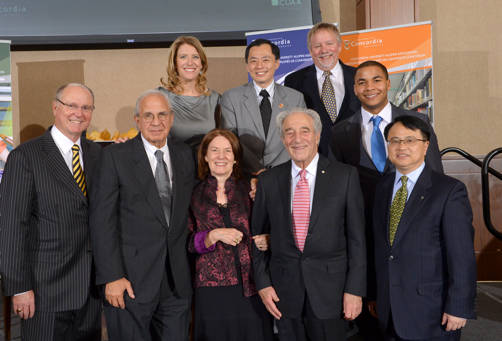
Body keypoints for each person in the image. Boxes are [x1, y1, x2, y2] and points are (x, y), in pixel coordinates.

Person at [330, 60, 444, 340]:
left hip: (413, 231)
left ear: (388, 83)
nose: (370, 87)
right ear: (354, 89)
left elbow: (435, 177)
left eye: (376, 80)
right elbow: (337, 187)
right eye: (361, 82)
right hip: (368, 230)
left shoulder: (418, 122)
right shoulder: (340, 132)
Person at [252, 108, 366, 341]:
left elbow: (357, 240)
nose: (297, 139)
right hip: (284, 293)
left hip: (331, 294)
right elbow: (257, 238)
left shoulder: (345, 176)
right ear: (283, 140)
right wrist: (263, 285)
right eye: (289, 133)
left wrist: (354, 290)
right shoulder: (268, 181)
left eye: (305, 131)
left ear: (317, 135)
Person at [89, 89, 195, 340]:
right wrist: (112, 276)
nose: (156, 122)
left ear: (171, 118)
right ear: (137, 120)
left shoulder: (185, 155)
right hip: (130, 282)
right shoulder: (116, 157)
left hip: (176, 283)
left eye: (162, 115)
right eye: (148, 116)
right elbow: (102, 221)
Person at [0, 83, 102, 340]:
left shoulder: (98, 155)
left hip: (89, 292)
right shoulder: (26, 156)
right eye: (72, 106)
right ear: (55, 108)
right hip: (44, 293)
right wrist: (19, 287)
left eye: (86, 107)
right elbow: (12, 227)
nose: (79, 113)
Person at [373, 115, 476, 340]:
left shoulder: (449, 191)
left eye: (410, 140)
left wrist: (459, 306)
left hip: (432, 312)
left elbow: (461, 255)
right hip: (388, 309)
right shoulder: (381, 188)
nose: (402, 147)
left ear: (426, 145)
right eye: (395, 141)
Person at [188, 128, 274, 341]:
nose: (221, 156)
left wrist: (268, 239)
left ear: (235, 157)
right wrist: (213, 235)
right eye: (215, 150)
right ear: (205, 156)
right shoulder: (193, 194)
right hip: (210, 288)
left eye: (227, 150)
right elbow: (187, 242)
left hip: (251, 285)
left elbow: (273, 227)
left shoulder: (252, 190)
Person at [221, 38, 305, 175]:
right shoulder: (230, 97)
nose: (259, 66)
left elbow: (300, 139)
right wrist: (259, 171)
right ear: (247, 66)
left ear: (277, 63)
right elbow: (230, 141)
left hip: (285, 176)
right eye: (253, 61)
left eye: (266, 60)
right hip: (244, 177)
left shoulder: (296, 98)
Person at [285, 22, 360, 158]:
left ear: (339, 46)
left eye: (329, 44)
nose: (324, 50)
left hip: (357, 162)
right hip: (315, 162)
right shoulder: (293, 81)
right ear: (310, 50)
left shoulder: (359, 76)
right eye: (317, 46)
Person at [159, 35, 221, 155]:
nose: (190, 62)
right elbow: (147, 136)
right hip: (174, 167)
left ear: (201, 63)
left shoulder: (215, 99)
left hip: (207, 168)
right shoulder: (161, 97)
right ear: (175, 63)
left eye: (195, 57)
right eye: (183, 57)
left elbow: (223, 140)